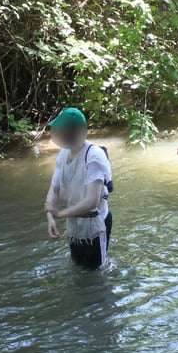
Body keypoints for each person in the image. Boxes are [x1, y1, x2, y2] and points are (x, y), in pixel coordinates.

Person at [44, 107, 113, 270]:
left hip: (96, 223)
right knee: (77, 266)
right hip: (74, 224)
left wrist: (60, 214)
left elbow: (92, 201)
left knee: (96, 271)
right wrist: (50, 217)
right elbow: (53, 188)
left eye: (62, 130)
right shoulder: (63, 154)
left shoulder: (93, 155)